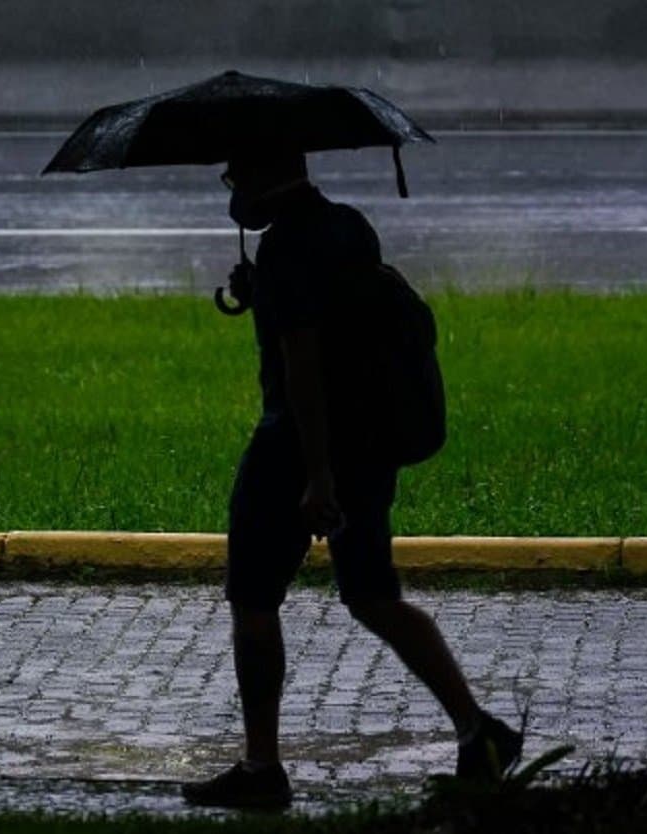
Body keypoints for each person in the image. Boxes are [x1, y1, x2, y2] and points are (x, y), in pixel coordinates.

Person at [181, 152, 522, 809]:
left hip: (296, 448)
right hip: (369, 442)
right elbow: (341, 320)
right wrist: (262, 294)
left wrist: (317, 477)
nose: (233, 189)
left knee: (253, 596)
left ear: (263, 175)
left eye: (236, 175)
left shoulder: (286, 248)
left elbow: (305, 366)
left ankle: (261, 767)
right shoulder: (347, 225)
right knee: (371, 594)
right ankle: (478, 730)